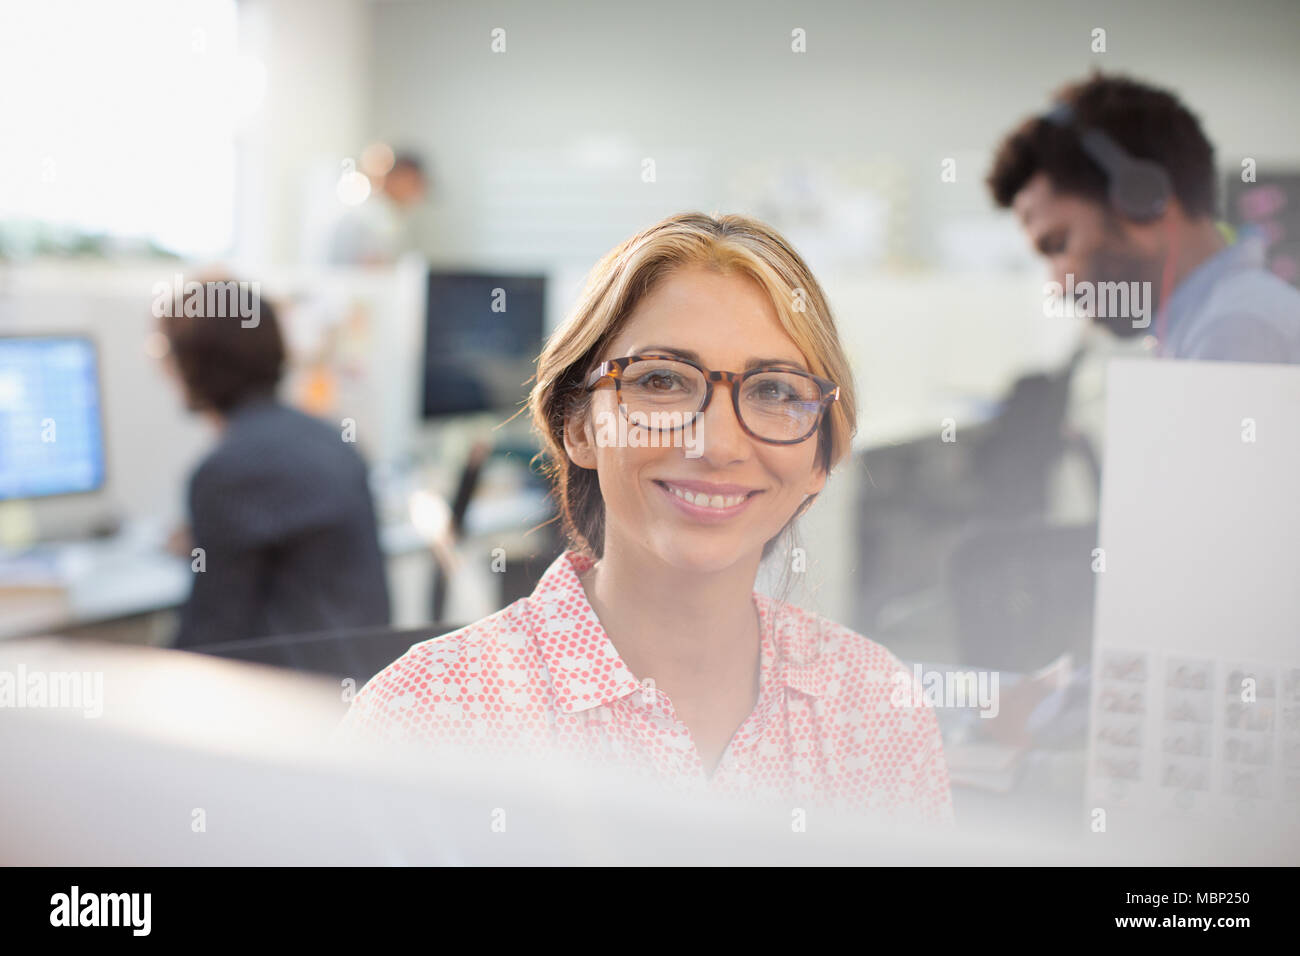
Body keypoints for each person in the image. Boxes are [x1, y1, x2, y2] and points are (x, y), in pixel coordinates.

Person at [340, 212, 954, 823]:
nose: (717, 445)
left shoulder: (876, 707)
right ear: (579, 427)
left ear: (820, 456)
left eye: (774, 392)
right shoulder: (424, 721)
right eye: (661, 381)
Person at [988, 72, 1300, 363]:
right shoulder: (1212, 321)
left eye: (1059, 245)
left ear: (1142, 199)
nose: (1057, 285)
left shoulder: (1235, 331)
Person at [159, 279, 391, 648]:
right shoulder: (332, 437)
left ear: (191, 364)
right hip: (358, 677)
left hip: (287, 694)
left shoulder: (225, 472)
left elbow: (209, 636)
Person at [325, 152, 428, 266]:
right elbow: (369, 267)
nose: (417, 192)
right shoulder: (369, 216)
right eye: (413, 182)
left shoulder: (389, 217)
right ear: (396, 177)